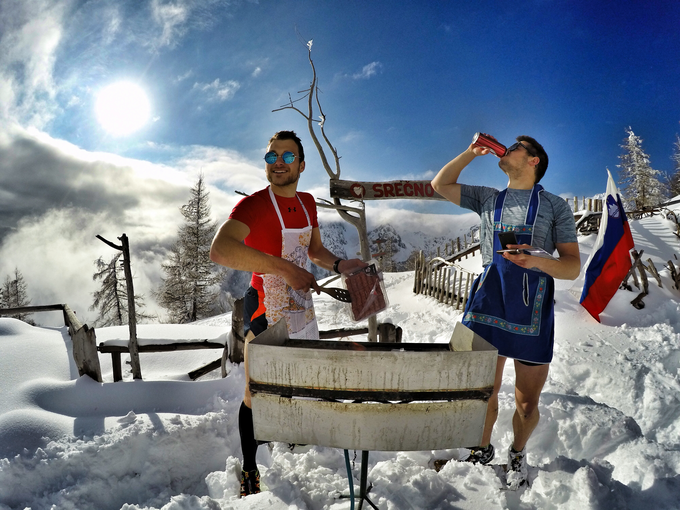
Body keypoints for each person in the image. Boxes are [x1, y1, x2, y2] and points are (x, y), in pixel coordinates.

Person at [210, 130, 366, 497]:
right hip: (264, 307)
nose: (278, 162)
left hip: (302, 305)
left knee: (300, 377)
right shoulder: (252, 206)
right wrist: (281, 268)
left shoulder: (309, 202)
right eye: (271, 156)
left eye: (286, 156)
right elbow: (220, 250)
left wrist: (342, 263)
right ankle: (250, 468)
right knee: (254, 389)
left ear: (301, 164)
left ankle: (290, 435)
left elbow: (314, 251)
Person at [431, 134, 580, 489]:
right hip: (487, 300)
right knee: (483, 391)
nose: (506, 150)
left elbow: (572, 266)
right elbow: (440, 184)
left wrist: (536, 260)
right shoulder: (487, 198)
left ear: (533, 161)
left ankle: (516, 452)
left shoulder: (555, 206)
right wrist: (471, 151)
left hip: (532, 305)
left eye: (516, 148)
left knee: (527, 403)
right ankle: (481, 450)